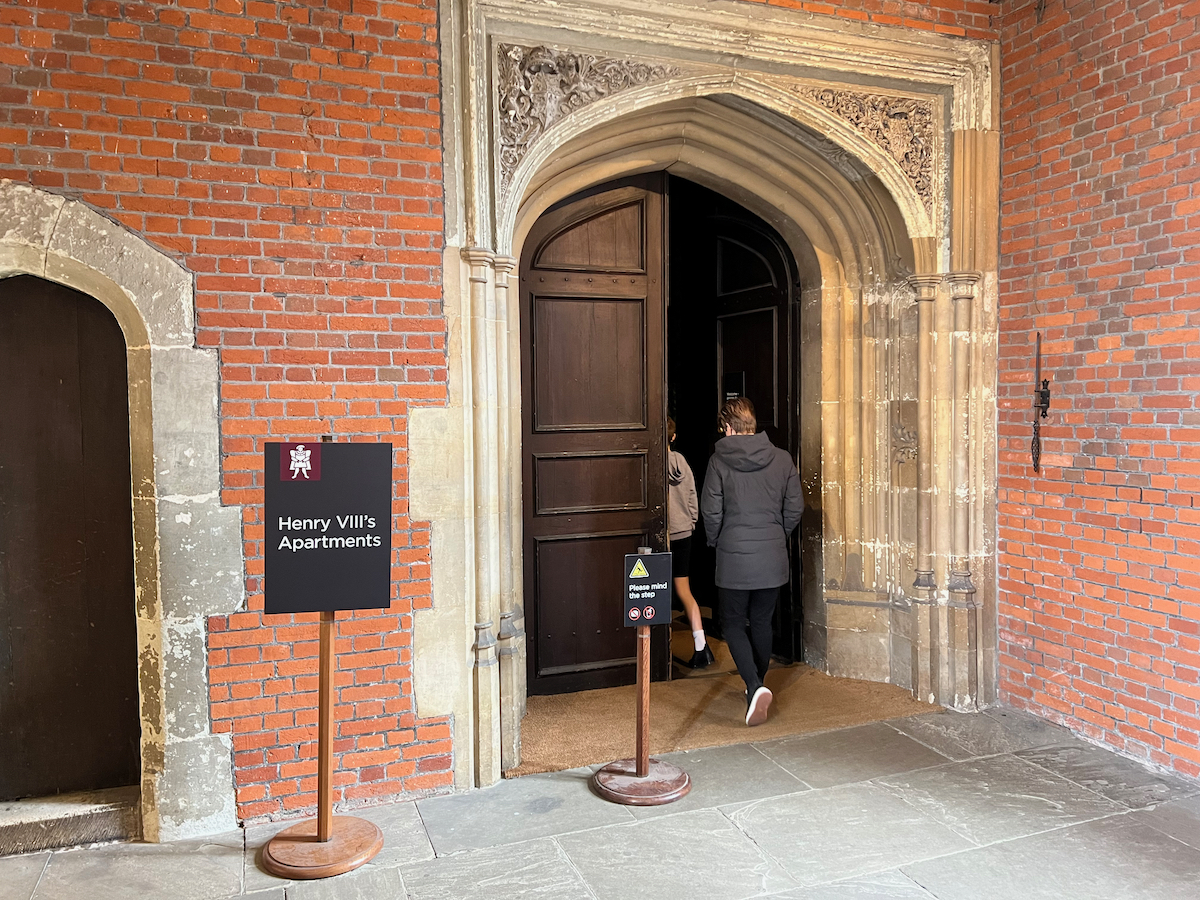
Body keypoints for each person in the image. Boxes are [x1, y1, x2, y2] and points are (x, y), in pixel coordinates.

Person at [700, 397, 803, 726]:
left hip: (734, 556)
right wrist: (777, 534)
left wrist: (717, 540)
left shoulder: (718, 461)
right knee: (761, 622)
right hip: (772, 556)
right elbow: (795, 507)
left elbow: (711, 511)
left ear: (729, 428)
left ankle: (755, 685)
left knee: (732, 624)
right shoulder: (783, 459)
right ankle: (756, 685)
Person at [667, 417, 712, 669]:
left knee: (657, 591)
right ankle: (701, 645)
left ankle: (660, 648)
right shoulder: (682, 462)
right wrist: (691, 521)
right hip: (683, 532)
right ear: (674, 437)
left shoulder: (652, 462)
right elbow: (693, 495)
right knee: (684, 590)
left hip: (661, 535)